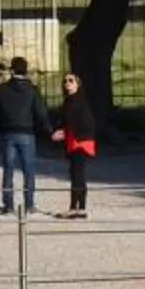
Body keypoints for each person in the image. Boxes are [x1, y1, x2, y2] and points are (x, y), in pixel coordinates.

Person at [0, 55, 53, 215]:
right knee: (29, 170)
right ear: (26, 70)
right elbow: (40, 112)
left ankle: (8, 204)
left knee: (8, 170)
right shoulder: (32, 90)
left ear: (12, 70)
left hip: (9, 133)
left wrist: (0, 129)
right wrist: (48, 129)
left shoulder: (1, 90)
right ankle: (29, 204)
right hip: (27, 132)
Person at [52, 70, 97, 217]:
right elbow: (65, 121)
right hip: (72, 142)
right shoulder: (68, 102)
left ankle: (78, 208)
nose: (67, 84)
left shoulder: (80, 102)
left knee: (78, 174)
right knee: (75, 173)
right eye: (65, 81)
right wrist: (60, 131)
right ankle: (76, 207)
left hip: (81, 142)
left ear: (77, 84)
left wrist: (65, 132)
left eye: (71, 81)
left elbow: (85, 122)